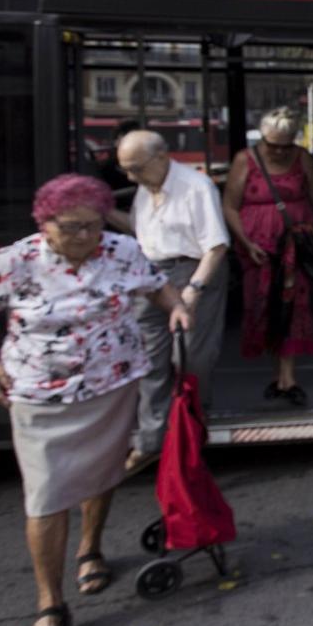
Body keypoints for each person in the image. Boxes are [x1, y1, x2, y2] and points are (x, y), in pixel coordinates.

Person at [0, 174, 190, 626]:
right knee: (46, 495)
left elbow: (158, 286)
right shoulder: (17, 260)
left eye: (93, 226)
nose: (85, 236)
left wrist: (178, 308)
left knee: (102, 473)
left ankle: (91, 549)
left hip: (111, 384)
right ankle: (50, 604)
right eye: (72, 227)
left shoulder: (121, 250)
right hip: (39, 391)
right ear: (45, 222)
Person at [111, 130, 230, 473]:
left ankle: (191, 429)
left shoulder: (196, 187)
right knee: (150, 358)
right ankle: (151, 440)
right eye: (126, 171)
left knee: (190, 357)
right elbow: (138, 229)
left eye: (136, 168)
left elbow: (216, 246)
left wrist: (194, 290)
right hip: (151, 273)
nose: (131, 177)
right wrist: (103, 212)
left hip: (192, 270)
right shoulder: (146, 188)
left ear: (161, 157)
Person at [222, 107, 313, 404]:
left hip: (295, 245)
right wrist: (246, 242)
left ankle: (287, 378)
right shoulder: (245, 159)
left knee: (294, 306)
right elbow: (229, 205)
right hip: (257, 249)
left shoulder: (301, 157)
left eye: (284, 145)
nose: (278, 151)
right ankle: (277, 372)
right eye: (271, 145)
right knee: (264, 307)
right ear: (262, 139)